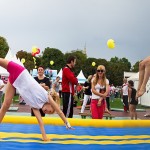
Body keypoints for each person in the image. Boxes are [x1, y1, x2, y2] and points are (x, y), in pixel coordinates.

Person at [0, 58, 73, 141]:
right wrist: (67, 123)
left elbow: (40, 122)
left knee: (5, 105)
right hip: (19, 71)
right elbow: (59, 111)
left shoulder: (35, 107)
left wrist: (44, 137)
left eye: (48, 113)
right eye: (50, 110)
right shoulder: (47, 96)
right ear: (50, 104)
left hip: (14, 82)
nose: (47, 112)